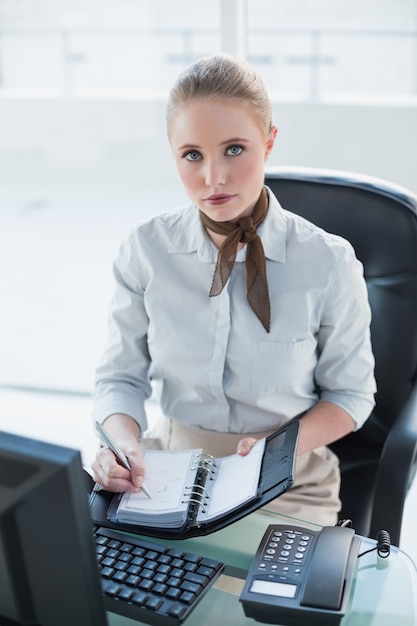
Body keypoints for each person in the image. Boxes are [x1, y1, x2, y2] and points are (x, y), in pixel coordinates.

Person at [91, 53, 376, 526]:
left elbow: (351, 396)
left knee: (267, 598)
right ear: (173, 152)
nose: (213, 178)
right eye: (192, 155)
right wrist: (120, 446)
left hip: (287, 483)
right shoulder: (146, 251)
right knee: (119, 589)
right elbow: (120, 378)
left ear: (270, 141)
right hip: (167, 476)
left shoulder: (328, 262)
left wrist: (275, 451)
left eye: (235, 149)